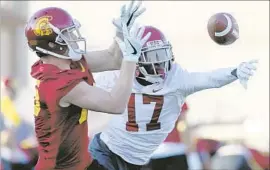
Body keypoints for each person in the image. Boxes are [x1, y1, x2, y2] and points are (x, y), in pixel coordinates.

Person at [89, 25, 258, 170]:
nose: (160, 63)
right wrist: (234, 72)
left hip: (141, 156)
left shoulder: (119, 77)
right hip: (170, 151)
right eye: (154, 57)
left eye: (161, 54)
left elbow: (87, 84)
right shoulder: (174, 80)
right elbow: (206, 82)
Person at [25, 1, 151, 169]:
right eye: (66, 34)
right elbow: (115, 104)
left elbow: (113, 58)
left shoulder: (66, 64)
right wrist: (131, 58)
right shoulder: (56, 83)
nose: (73, 37)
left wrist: (122, 32)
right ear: (52, 44)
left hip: (82, 163)